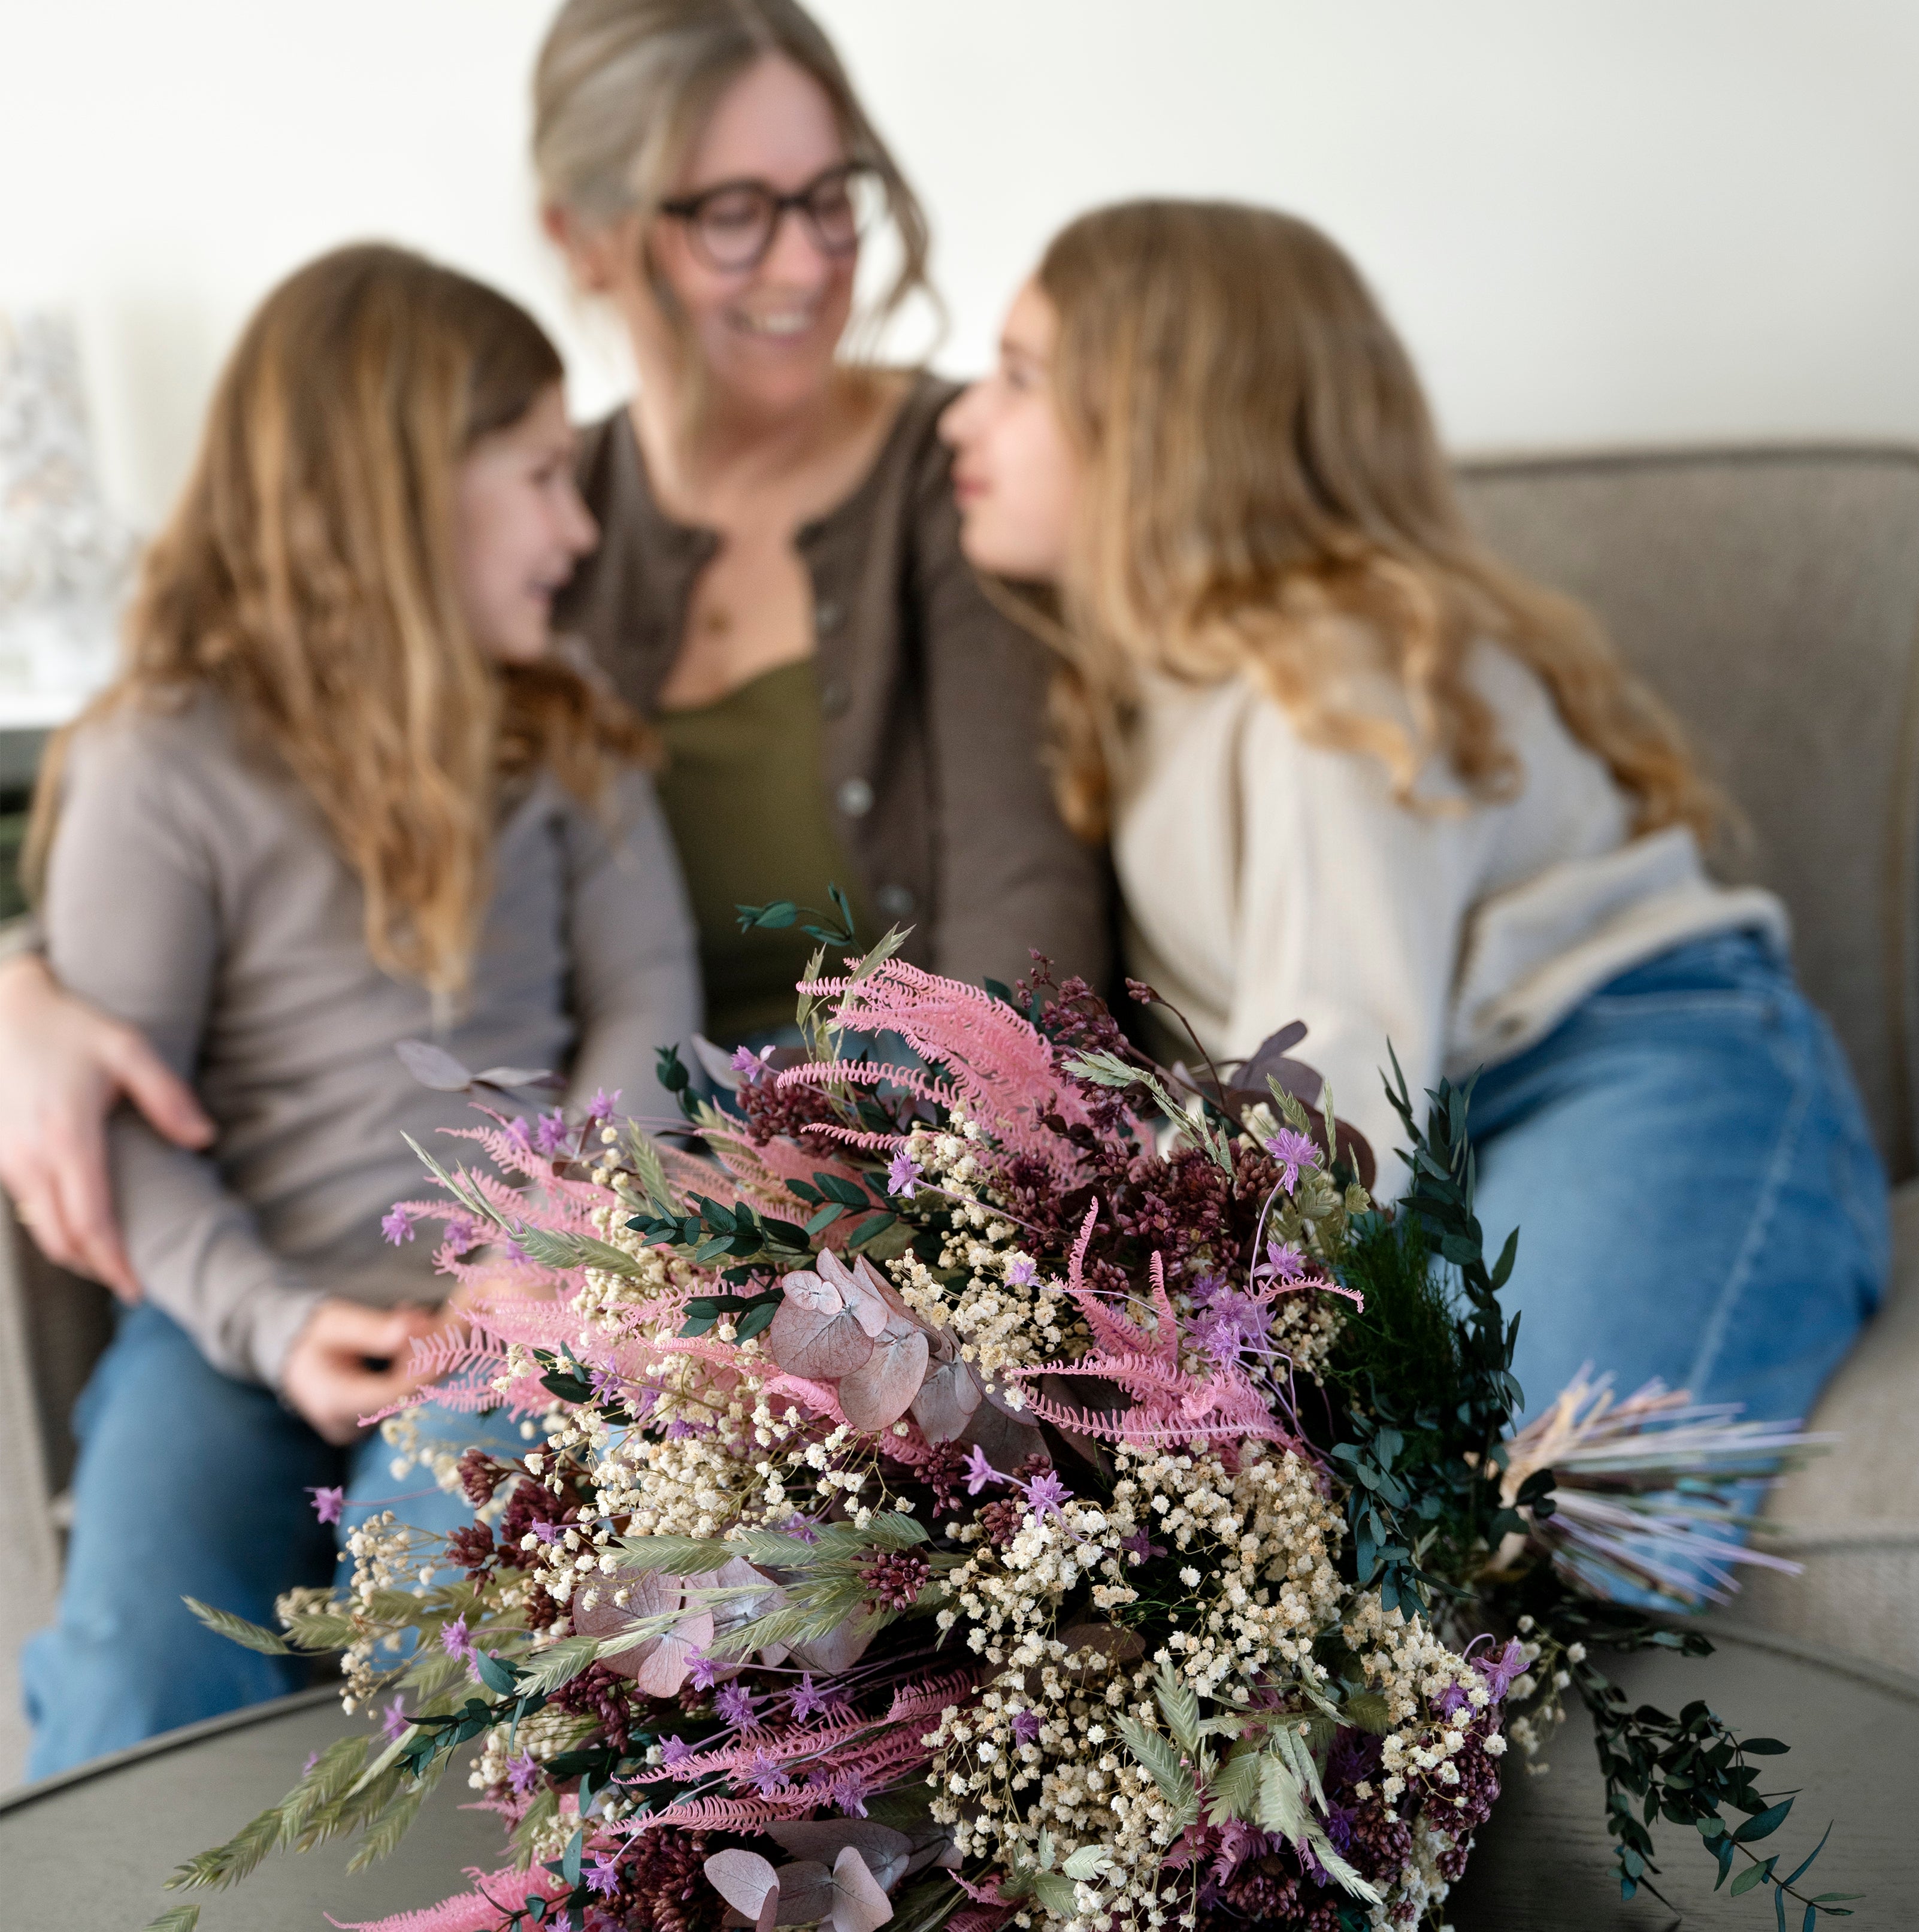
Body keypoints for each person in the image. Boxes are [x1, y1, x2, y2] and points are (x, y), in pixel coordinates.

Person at [0, 0, 1109, 1293]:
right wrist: (20, 990)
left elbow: (1024, 973)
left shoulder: (960, 484)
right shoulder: (512, 525)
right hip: (580, 1179)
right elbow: (201, 796)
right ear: (582, 240)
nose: (809, 265)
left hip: (867, 1178)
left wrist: (799, 1218)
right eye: (731, 212)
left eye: (830, 197)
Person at [939, 198, 1888, 1429]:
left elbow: (1338, 1063)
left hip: (1635, 1070)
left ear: (1162, 425)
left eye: (1017, 377)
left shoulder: (1331, 673)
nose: (962, 415)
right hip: (1461, 1139)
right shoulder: (1158, 683)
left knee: (1512, 1497)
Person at [19, 245, 701, 1775]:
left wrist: (544, 1243)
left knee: (443, 1646)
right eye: (538, 474)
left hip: (516, 1311)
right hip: (229, 1312)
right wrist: (274, 1323)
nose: (576, 527)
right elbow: (116, 1119)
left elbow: (645, 992)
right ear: (401, 496)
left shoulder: (562, 724)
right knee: (130, 1686)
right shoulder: (155, 761)